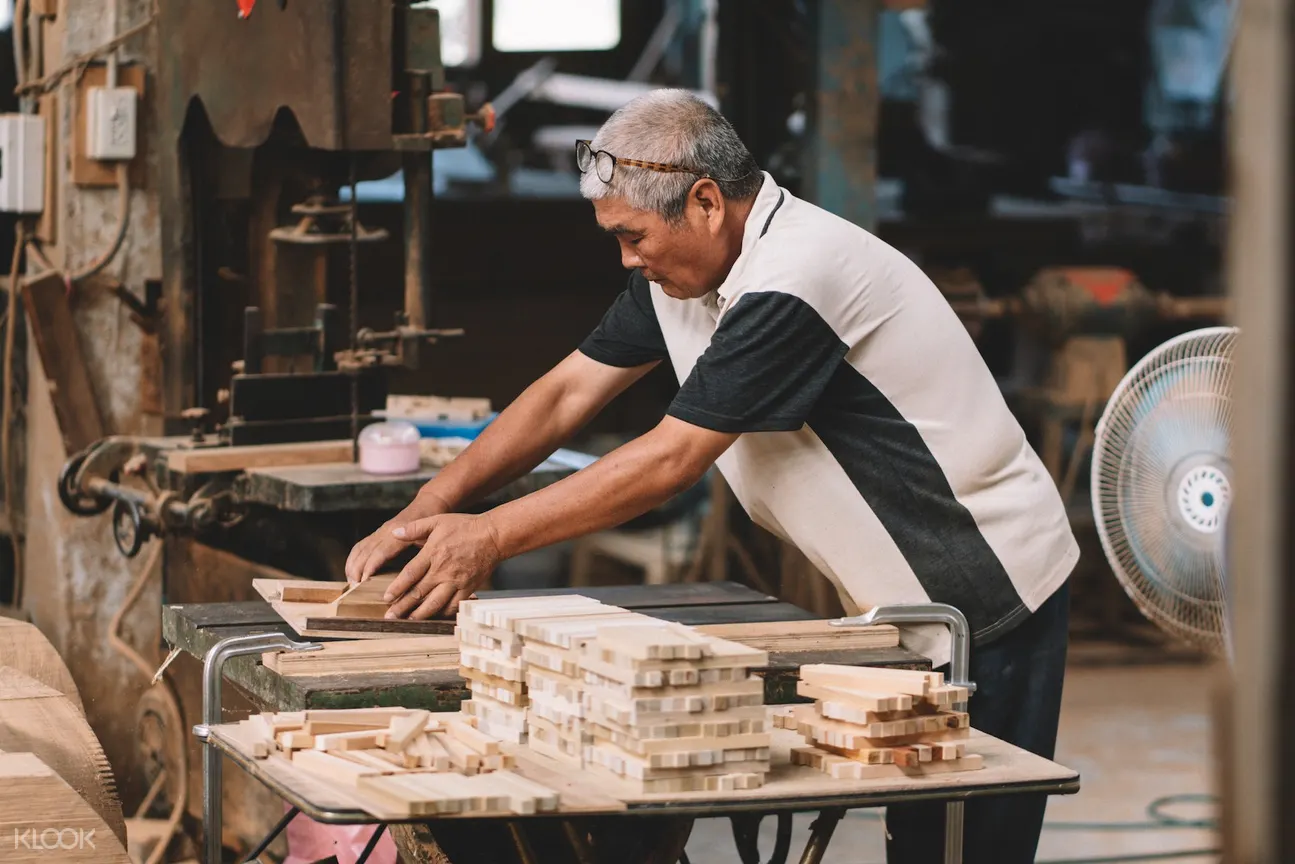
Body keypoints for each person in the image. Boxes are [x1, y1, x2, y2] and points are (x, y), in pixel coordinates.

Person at [345, 89, 1077, 863]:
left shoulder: (796, 274)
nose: (627, 260)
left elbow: (668, 460)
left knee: (955, 846)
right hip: (897, 602)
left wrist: (487, 537)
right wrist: (426, 507)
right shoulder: (680, 280)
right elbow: (565, 395)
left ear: (703, 202)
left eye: (632, 237)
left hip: (986, 596)